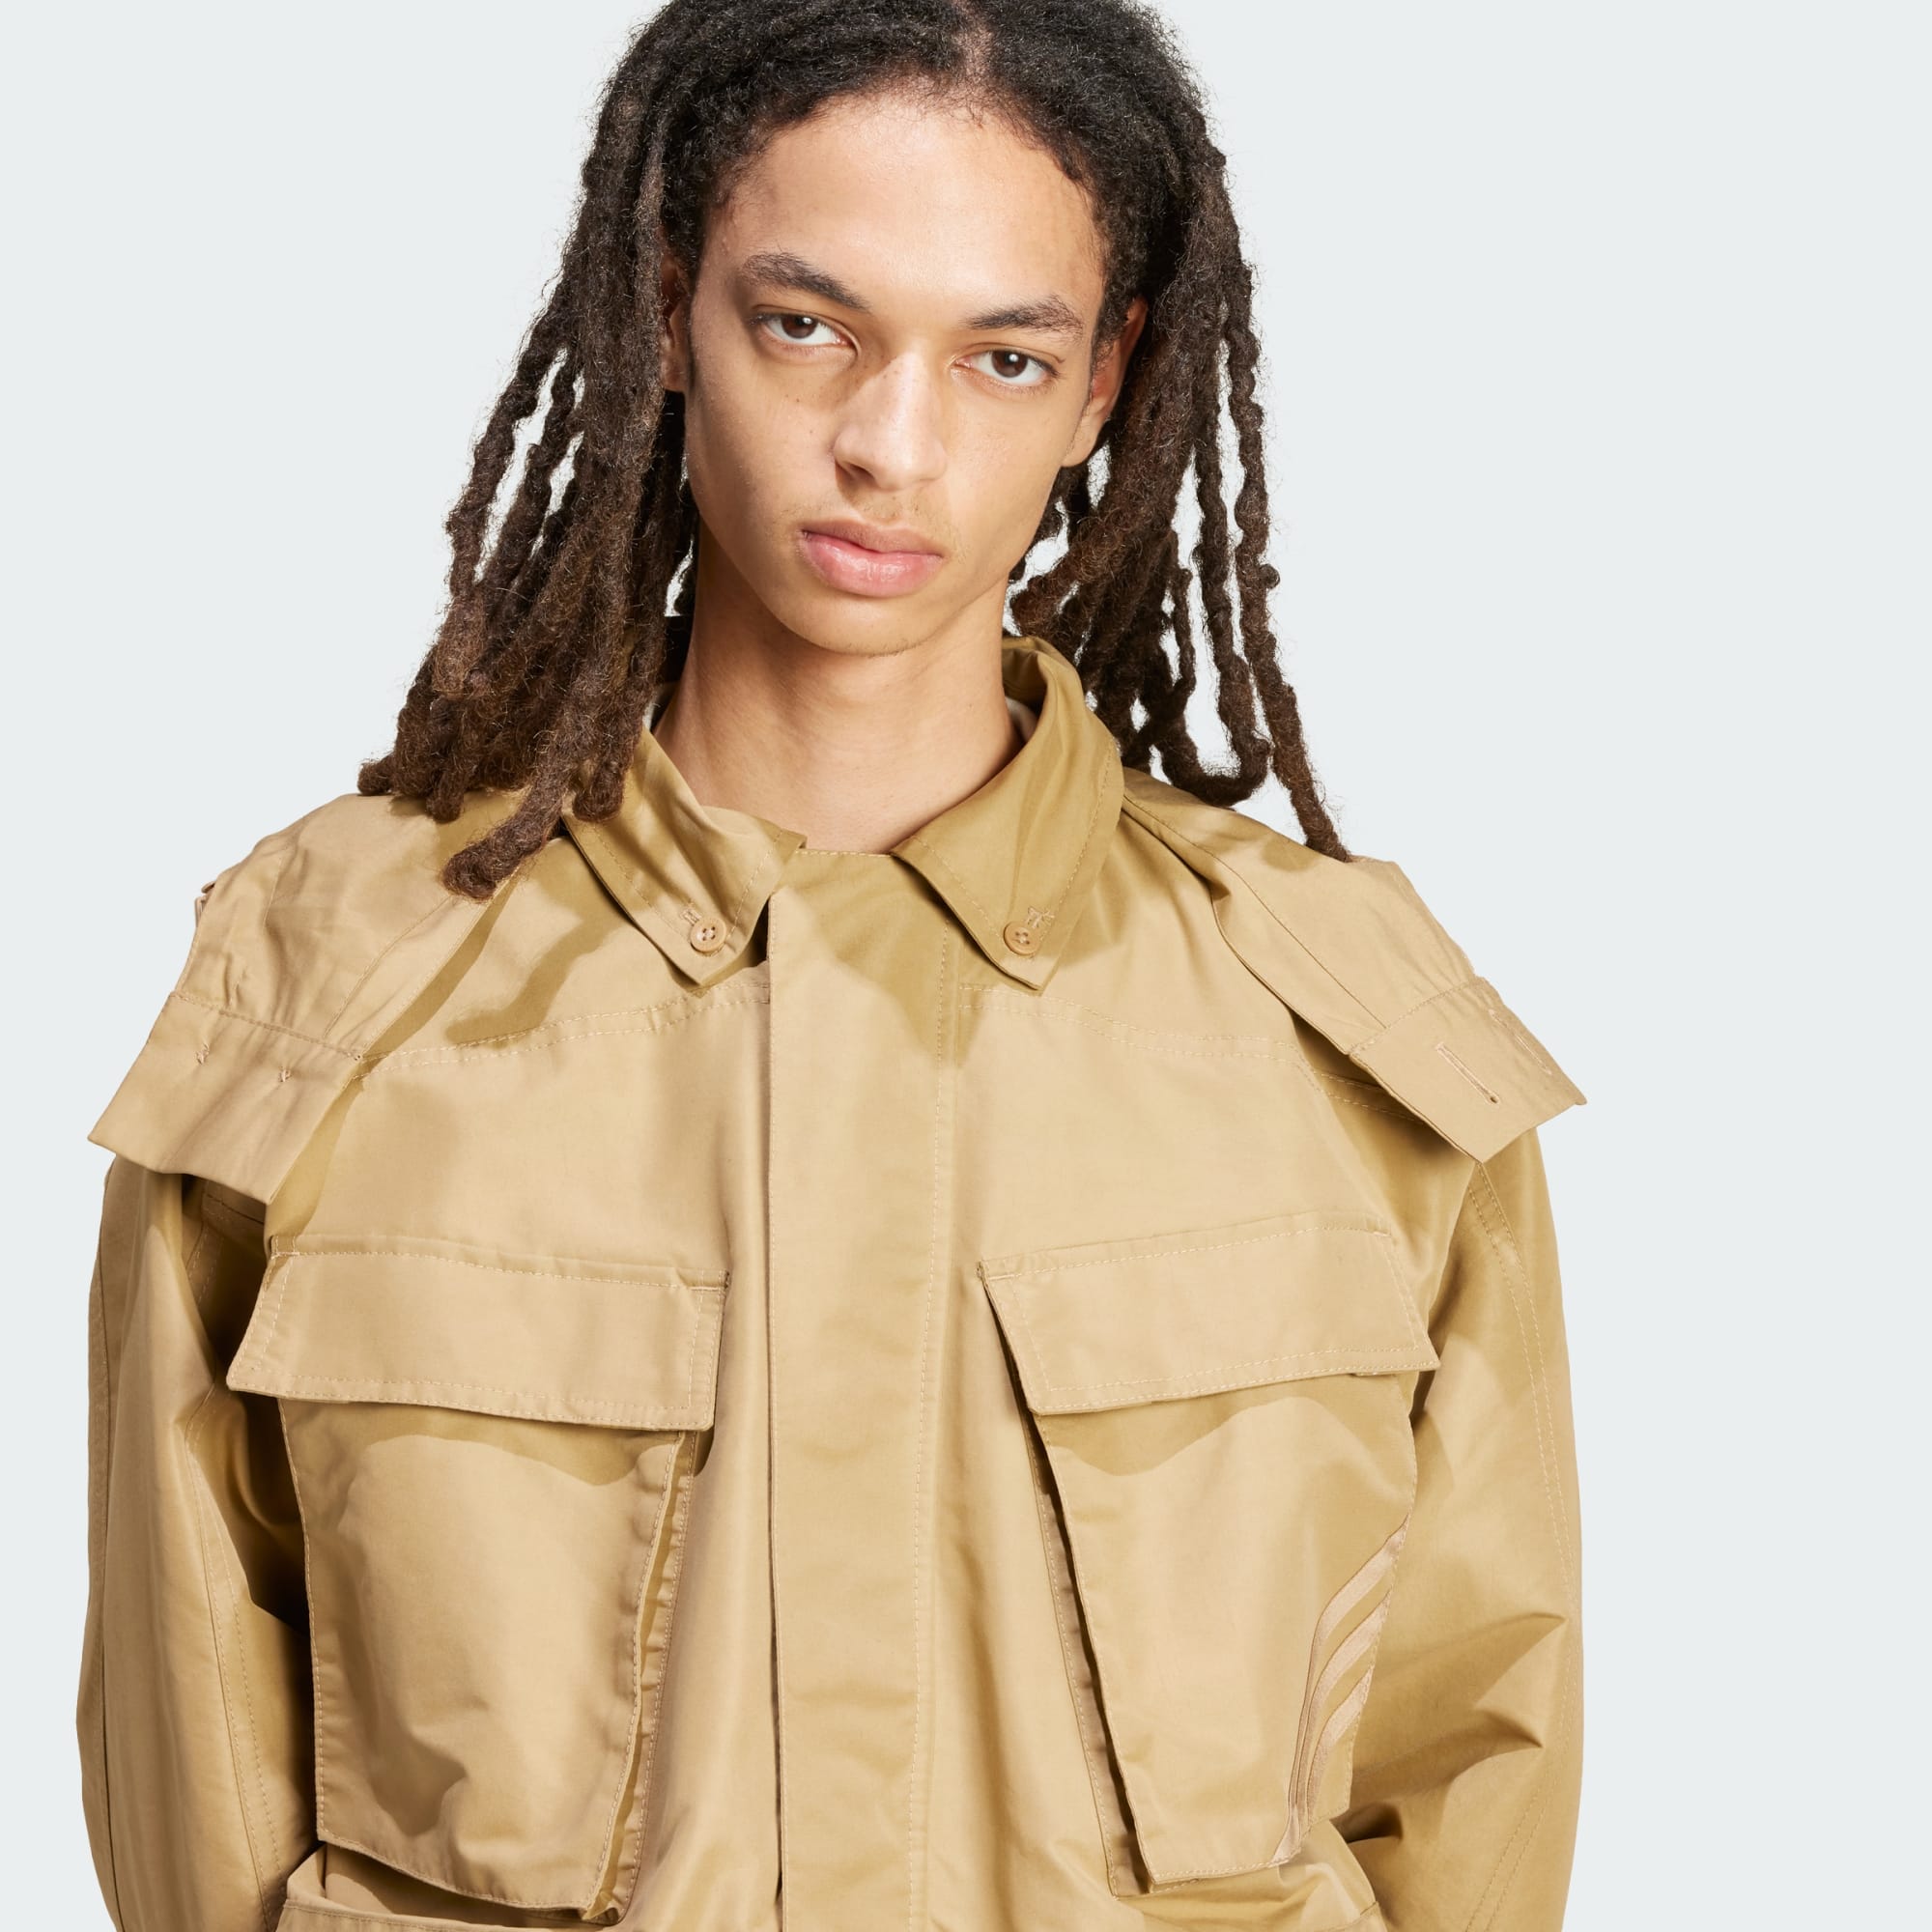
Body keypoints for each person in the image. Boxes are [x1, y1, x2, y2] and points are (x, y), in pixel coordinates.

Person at [76, 3, 1586, 1929]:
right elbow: (196, 1766)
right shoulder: (339, 989)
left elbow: (1466, 1765)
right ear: (666, 311)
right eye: (808, 325)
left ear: (1106, 380)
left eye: (1003, 355)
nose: (891, 444)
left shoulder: (1337, 1037)